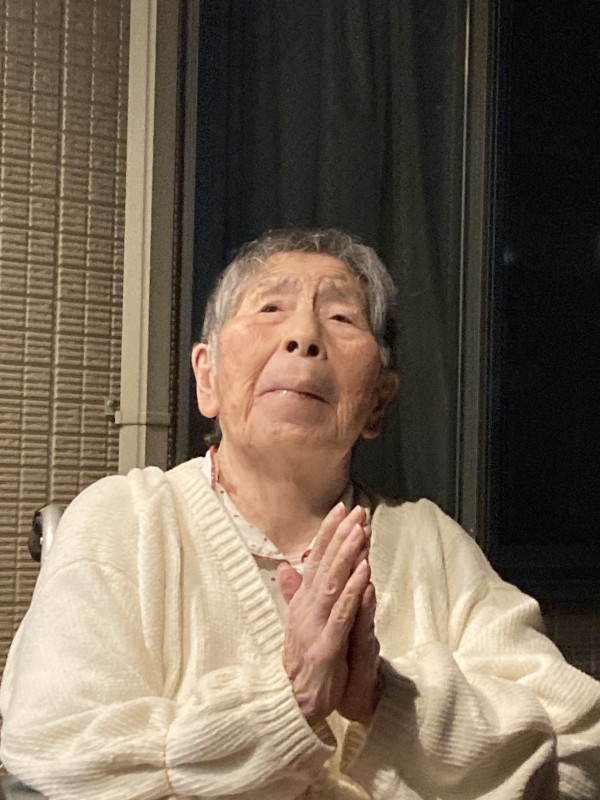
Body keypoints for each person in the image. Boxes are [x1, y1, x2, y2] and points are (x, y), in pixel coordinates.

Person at [1, 228, 598, 800]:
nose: (304, 336)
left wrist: (386, 699)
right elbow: (52, 750)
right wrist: (284, 701)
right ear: (207, 377)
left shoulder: (431, 544)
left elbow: (580, 753)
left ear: (378, 401)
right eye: (270, 309)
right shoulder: (125, 520)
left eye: (341, 318)